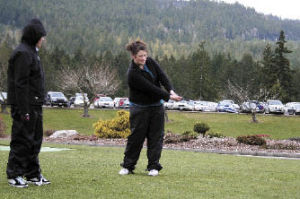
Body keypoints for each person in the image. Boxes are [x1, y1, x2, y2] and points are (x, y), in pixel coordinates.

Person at [119, 40, 182, 176]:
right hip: (139, 109)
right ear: (133, 56)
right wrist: (169, 97)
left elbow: (162, 77)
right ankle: (128, 166)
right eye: (140, 56)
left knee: (156, 137)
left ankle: (153, 166)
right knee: (136, 138)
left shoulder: (151, 62)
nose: (144, 58)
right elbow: (151, 88)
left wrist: (171, 90)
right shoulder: (132, 74)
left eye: (145, 55)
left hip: (156, 108)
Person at [6, 18, 50, 188]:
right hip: (24, 105)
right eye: (42, 36)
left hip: (35, 104)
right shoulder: (22, 53)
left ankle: (32, 173)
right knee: (22, 140)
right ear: (35, 36)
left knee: (35, 140)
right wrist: (24, 110)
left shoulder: (32, 52)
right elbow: (20, 83)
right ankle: (14, 173)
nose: (43, 39)